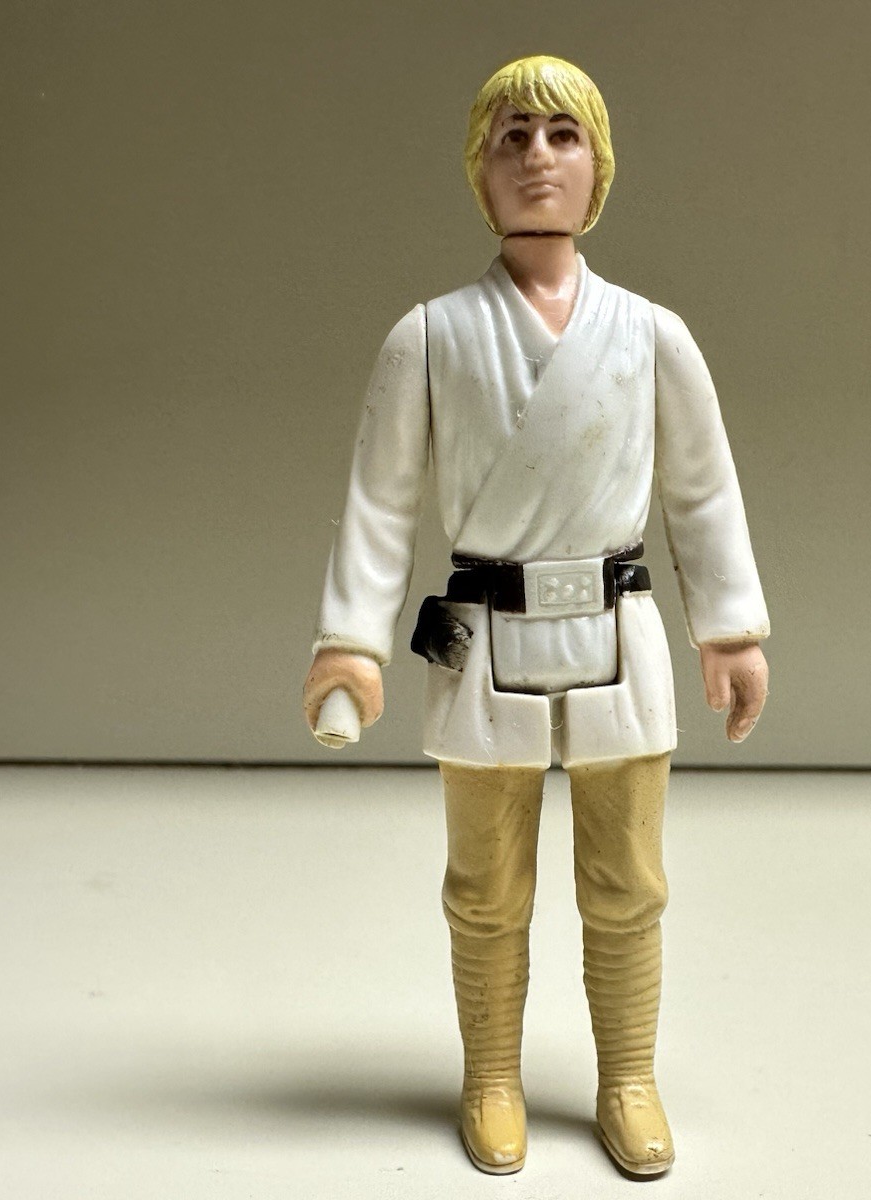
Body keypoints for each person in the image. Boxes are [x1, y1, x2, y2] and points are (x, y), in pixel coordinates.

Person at [302, 54, 770, 1178]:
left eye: (563, 136)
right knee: (484, 890)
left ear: (600, 164)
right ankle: (493, 1078)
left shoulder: (651, 334)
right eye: (511, 137)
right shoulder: (431, 335)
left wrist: (730, 628)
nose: (538, 158)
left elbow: (701, 492)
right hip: (485, 638)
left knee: (628, 885)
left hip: (615, 633)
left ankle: (628, 1077)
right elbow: (381, 500)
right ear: (480, 169)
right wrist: (351, 642)